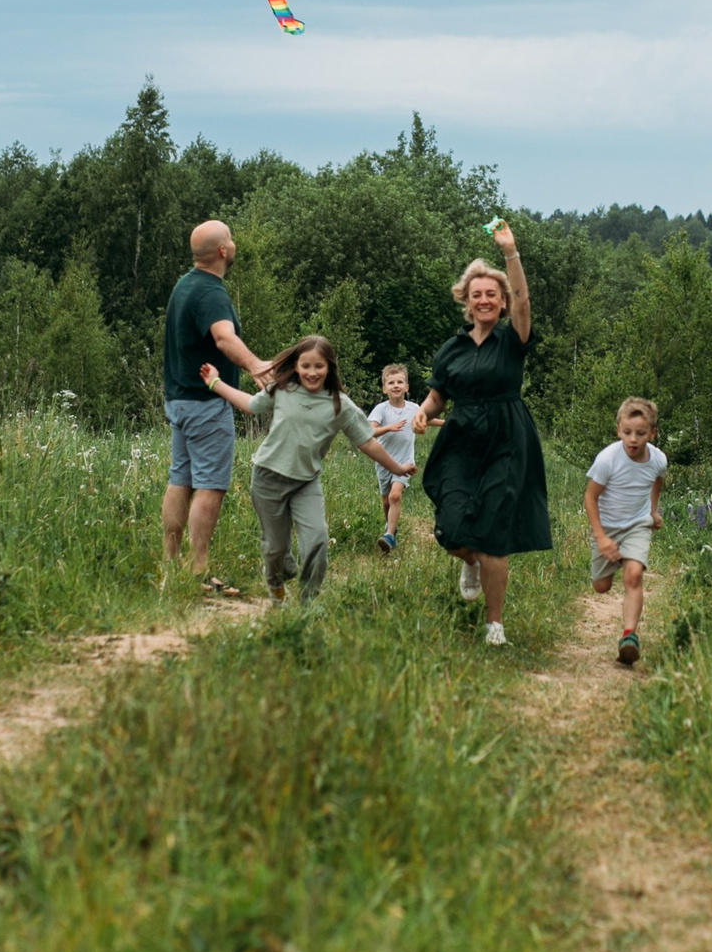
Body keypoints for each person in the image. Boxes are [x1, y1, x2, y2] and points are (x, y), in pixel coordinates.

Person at [412, 221, 550, 646]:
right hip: (460, 440)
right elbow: (438, 397)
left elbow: (526, 302)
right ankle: (468, 561)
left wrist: (511, 253)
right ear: (467, 303)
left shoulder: (513, 340)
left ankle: (495, 624)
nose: (485, 299)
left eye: (493, 294)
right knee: (451, 528)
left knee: (493, 532)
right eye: (478, 295)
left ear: (503, 302)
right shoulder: (451, 349)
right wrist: (422, 411)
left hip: (507, 439)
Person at [201, 336, 409, 603]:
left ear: (329, 368)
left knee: (317, 542)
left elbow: (367, 443)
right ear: (296, 366)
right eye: (306, 366)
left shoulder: (340, 404)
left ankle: (308, 604)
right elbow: (250, 406)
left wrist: (398, 468)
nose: (312, 373)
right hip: (267, 479)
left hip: (305, 484)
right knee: (276, 550)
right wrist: (215, 383)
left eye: (319, 366)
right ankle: (275, 579)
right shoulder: (283, 389)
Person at [161, 219, 270, 589]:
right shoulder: (211, 292)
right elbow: (224, 338)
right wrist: (255, 364)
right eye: (231, 240)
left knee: (181, 480)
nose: (234, 244)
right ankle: (198, 570)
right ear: (222, 251)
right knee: (210, 485)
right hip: (206, 404)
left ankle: (172, 565)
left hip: (179, 399)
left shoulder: (184, 285)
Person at [584, 397, 669, 667]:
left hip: (636, 525)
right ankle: (614, 561)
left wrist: (653, 511)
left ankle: (629, 637)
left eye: (641, 434)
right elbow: (590, 497)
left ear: (652, 434)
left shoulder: (658, 459)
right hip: (607, 528)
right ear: (618, 429)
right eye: (627, 432)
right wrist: (600, 537)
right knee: (601, 587)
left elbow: (657, 481)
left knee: (633, 576)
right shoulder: (607, 459)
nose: (633, 439)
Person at [366, 363, 418, 554]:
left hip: (405, 461)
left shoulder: (414, 408)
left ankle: (388, 536)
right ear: (384, 388)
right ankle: (392, 528)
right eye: (391, 382)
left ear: (407, 387)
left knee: (395, 495)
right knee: (386, 501)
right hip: (383, 462)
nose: (396, 385)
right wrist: (389, 427)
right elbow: (369, 432)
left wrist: (449, 423)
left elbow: (426, 419)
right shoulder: (381, 409)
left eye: (400, 382)